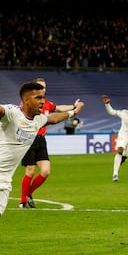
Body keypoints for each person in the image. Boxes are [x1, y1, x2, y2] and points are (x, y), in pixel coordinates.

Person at [0, 80, 84, 216]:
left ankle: (26, 196)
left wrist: (73, 112)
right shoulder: (12, 113)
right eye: (38, 98)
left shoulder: (38, 120)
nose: (43, 101)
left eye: (43, 97)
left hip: (4, 183)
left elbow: (54, 118)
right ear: (26, 100)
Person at [19, 78, 82, 209]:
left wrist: (73, 106)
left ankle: (28, 194)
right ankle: (22, 201)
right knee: (30, 171)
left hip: (41, 140)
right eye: (40, 87)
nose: (43, 89)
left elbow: (58, 109)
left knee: (45, 171)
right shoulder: (28, 104)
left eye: (44, 87)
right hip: (29, 138)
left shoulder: (46, 103)